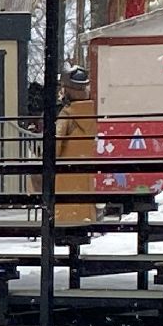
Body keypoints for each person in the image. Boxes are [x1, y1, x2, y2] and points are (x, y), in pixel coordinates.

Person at [53, 67, 99, 225]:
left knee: (66, 220)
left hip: (66, 177)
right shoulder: (91, 113)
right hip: (85, 176)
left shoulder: (66, 115)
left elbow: (54, 149)